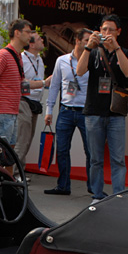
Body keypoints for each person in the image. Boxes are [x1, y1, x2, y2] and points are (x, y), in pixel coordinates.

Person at [76, 13, 128, 200]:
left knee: (118, 159)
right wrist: (88, 47)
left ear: (118, 32)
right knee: (95, 159)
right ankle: (97, 194)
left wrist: (116, 48)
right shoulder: (93, 52)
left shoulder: (125, 52)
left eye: (110, 29)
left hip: (116, 113)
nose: (106, 32)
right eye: (103, 29)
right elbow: (80, 71)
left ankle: (118, 196)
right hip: (93, 111)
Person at [44, 28, 93, 195]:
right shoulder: (62, 61)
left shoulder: (93, 60)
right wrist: (49, 110)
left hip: (86, 111)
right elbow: (55, 86)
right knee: (62, 149)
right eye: (87, 40)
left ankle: (93, 186)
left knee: (90, 150)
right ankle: (63, 185)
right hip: (66, 110)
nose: (89, 43)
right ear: (77, 41)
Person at [0, 19, 37, 153]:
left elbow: (22, 83)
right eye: (27, 32)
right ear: (17, 33)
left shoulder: (17, 56)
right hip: (3, 111)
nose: (30, 36)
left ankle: (6, 174)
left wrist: (45, 83)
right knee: (1, 151)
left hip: (12, 111)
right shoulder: (4, 55)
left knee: (8, 152)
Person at [14, 30, 49, 173]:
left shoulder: (40, 60)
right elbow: (21, 82)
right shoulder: (21, 59)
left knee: (28, 139)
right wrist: (43, 83)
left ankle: (19, 172)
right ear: (32, 44)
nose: (42, 41)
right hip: (23, 100)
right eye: (39, 39)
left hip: (35, 102)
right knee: (22, 139)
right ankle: (13, 172)